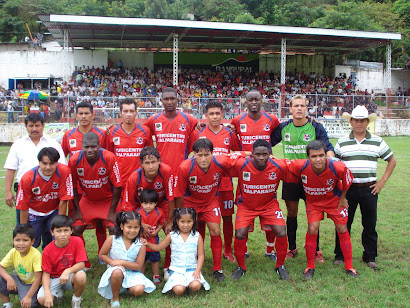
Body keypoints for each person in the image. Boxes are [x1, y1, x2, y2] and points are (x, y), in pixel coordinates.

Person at [271, 95, 334, 262]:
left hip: (312, 179)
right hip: (290, 177)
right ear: (290, 109)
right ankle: (292, 248)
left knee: (313, 215)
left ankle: (315, 250)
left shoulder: (315, 127)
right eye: (296, 106)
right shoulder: (283, 127)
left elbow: (327, 146)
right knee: (292, 213)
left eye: (302, 106)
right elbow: (266, 142)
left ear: (307, 109)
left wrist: (332, 162)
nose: (299, 108)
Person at [144, 87, 198, 280]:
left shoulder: (189, 120)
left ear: (178, 99)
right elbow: (142, 132)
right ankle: (153, 260)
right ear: (161, 101)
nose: (169, 102)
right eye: (165, 99)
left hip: (181, 174)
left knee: (177, 219)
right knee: (160, 218)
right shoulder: (153, 120)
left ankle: (173, 263)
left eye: (172, 98)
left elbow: (198, 135)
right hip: (160, 175)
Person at [173, 138, 245, 282]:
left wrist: (261, 153)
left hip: (210, 202)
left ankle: (217, 268)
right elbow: (179, 194)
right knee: (191, 232)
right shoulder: (185, 167)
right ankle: (189, 262)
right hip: (190, 201)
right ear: (194, 154)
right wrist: (180, 213)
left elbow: (239, 154)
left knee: (215, 230)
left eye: (207, 155)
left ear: (213, 153)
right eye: (199, 155)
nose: (203, 158)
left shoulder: (220, 161)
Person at [334, 106, 396, 269]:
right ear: (351, 121)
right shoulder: (342, 142)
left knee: (369, 224)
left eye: (362, 120)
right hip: (348, 190)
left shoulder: (377, 141)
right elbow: (334, 166)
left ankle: (369, 256)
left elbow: (392, 160)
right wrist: (340, 191)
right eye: (356, 120)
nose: (359, 123)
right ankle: (340, 255)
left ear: (367, 122)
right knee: (344, 223)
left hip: (370, 189)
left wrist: (382, 181)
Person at [287, 140, 358, 279]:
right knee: (312, 228)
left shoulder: (337, 167)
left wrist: (343, 197)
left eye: (321, 155)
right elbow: (282, 167)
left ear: (326, 155)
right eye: (314, 156)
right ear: (308, 157)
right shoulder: (299, 166)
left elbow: (348, 179)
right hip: (314, 203)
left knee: (342, 228)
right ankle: (310, 266)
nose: (318, 159)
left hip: (334, 201)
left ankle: (349, 266)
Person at [226, 139, 295, 281]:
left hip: (269, 205)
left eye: (265, 154)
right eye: (258, 154)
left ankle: (280, 265)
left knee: (281, 232)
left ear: (270, 154)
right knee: (240, 234)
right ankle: (241, 267)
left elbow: (300, 166)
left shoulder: (278, 165)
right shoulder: (241, 164)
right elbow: (221, 161)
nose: (261, 157)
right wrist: (242, 153)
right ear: (251, 154)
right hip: (247, 205)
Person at [230, 89, 280, 261]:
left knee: (269, 209)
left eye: (256, 99)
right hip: (246, 169)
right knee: (245, 210)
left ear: (261, 101)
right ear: (245, 102)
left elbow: (276, 135)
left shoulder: (271, 119)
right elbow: (233, 139)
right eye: (250, 99)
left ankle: (270, 249)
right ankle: (243, 249)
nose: (253, 102)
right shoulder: (238, 120)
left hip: (266, 169)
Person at [189, 101, 240, 262]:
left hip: (224, 184)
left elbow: (237, 154)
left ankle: (227, 250)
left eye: (218, 113)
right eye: (211, 113)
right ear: (206, 115)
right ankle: (200, 250)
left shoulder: (229, 133)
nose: (215, 116)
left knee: (227, 217)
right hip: (203, 185)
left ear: (222, 114)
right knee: (201, 219)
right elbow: (192, 156)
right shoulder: (198, 133)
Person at [61, 102, 107, 259]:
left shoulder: (102, 134)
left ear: (93, 115)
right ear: (75, 115)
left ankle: (103, 254)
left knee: (101, 223)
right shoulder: (68, 135)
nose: (83, 116)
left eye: (87, 113)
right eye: (80, 113)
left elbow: (107, 158)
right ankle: (81, 257)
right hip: (77, 190)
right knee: (77, 224)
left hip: (97, 188)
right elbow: (62, 159)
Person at [4, 113, 66, 225]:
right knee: (24, 227)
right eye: (31, 126)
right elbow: (10, 169)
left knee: (49, 229)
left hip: (49, 191)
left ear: (43, 126)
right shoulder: (18, 145)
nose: (34, 129)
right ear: (26, 126)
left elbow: (62, 168)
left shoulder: (53, 144)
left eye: (37, 125)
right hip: (24, 190)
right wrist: (8, 191)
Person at [122, 146, 173, 279]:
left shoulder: (166, 171)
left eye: (153, 162)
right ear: (141, 164)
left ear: (159, 161)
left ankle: (169, 266)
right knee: (131, 230)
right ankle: (132, 262)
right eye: (147, 163)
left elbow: (172, 198)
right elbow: (128, 206)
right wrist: (139, 224)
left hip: (163, 204)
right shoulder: (134, 177)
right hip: (140, 208)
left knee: (171, 232)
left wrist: (170, 221)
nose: (151, 166)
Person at [68, 133, 122, 250]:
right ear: (82, 146)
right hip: (89, 200)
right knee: (74, 230)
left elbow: (118, 185)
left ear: (99, 145)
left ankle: (113, 260)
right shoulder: (74, 160)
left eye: (93, 146)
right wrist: (77, 209)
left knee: (115, 230)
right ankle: (82, 261)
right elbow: (73, 186)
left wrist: (112, 211)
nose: (90, 150)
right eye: (86, 147)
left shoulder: (109, 157)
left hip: (109, 200)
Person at [141, 208, 210, 295]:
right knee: (178, 290)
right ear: (177, 221)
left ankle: (189, 284)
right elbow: (159, 247)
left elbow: (201, 255)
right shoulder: (172, 235)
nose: (186, 225)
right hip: (177, 270)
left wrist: (197, 270)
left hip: (192, 269)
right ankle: (182, 285)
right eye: (182, 222)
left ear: (193, 222)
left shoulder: (196, 236)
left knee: (196, 286)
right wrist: (147, 244)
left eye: (189, 222)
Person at [16, 147, 74, 249]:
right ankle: (24, 262)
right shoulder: (27, 178)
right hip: (34, 212)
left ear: (57, 163)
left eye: (51, 163)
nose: (48, 167)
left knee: (57, 239)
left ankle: (55, 262)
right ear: (39, 163)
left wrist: (59, 224)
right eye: (44, 163)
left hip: (53, 211)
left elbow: (64, 199)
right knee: (31, 241)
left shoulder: (64, 171)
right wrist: (24, 229)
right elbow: (23, 206)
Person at [98, 212, 155, 307]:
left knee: (138, 290)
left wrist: (122, 262)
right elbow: (102, 254)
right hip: (115, 270)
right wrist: (113, 262)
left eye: (136, 227)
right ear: (121, 226)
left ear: (139, 228)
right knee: (117, 272)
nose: (132, 230)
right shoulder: (112, 239)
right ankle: (115, 298)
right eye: (129, 227)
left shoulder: (140, 244)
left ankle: (124, 287)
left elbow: (138, 266)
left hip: (132, 272)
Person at [37, 215, 87, 308]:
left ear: (71, 231)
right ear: (52, 232)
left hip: (70, 276)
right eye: (58, 231)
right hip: (54, 278)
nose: (62, 234)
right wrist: (47, 292)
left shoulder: (77, 241)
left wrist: (68, 271)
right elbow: (46, 274)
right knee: (42, 300)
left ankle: (76, 299)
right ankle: (58, 294)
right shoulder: (47, 250)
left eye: (66, 230)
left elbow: (81, 264)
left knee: (81, 275)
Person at [106, 98, 153, 183]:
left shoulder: (145, 131)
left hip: (140, 180)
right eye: (125, 111)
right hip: (118, 181)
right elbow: (108, 158)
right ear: (120, 113)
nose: (129, 114)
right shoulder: (112, 131)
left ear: (136, 113)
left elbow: (150, 156)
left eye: (131, 111)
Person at [0, 224, 42, 308]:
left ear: (32, 241)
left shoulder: (36, 255)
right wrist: (9, 279)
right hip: (19, 280)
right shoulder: (13, 251)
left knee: (28, 304)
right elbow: (1, 267)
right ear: (13, 240)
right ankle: (6, 304)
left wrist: (28, 297)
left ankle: (36, 297)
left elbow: (38, 278)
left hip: (32, 284)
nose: (21, 244)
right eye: (17, 240)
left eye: (25, 240)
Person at [136, 190, 165, 285]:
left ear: (156, 203)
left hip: (153, 239)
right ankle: (140, 276)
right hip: (141, 239)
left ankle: (156, 276)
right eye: (145, 203)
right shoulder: (138, 212)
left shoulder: (159, 212)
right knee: (142, 259)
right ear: (141, 203)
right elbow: (134, 223)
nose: (148, 206)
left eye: (151, 203)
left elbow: (161, 223)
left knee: (154, 259)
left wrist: (157, 231)